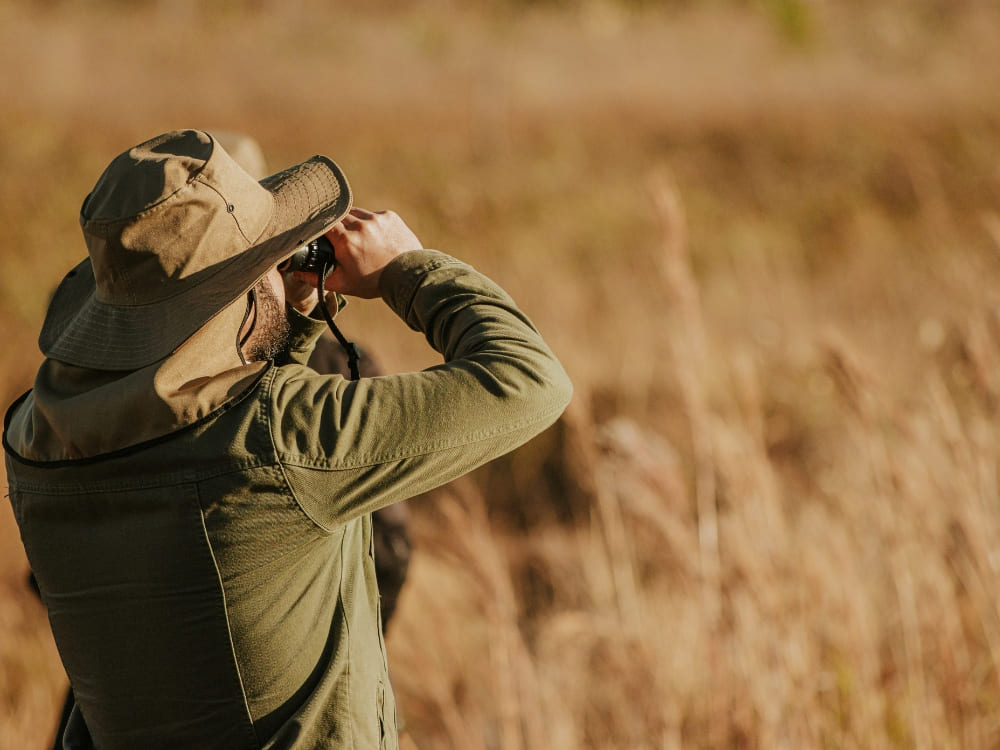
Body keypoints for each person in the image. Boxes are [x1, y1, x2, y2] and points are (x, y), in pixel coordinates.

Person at [2, 129, 572, 749]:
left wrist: (280, 319)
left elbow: (187, 406)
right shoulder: (282, 441)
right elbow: (529, 378)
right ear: (239, 296)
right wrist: (408, 270)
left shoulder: (37, 439)